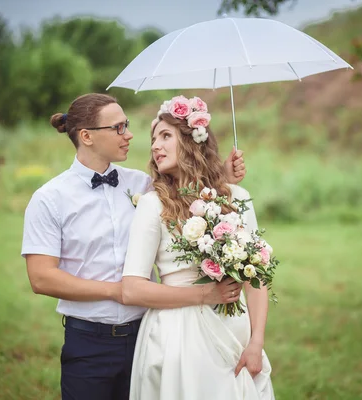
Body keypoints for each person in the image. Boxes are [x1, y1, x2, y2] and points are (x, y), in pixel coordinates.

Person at [20, 93, 247, 400]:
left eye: (126, 124)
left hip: (147, 335)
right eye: (118, 128)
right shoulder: (50, 199)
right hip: (88, 342)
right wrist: (115, 290)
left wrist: (223, 177)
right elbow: (41, 278)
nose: (128, 134)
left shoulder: (142, 185)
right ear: (86, 136)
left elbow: (189, 192)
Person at [121, 95, 275, 400]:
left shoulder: (237, 197)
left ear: (193, 141)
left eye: (166, 136)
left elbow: (256, 277)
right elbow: (132, 289)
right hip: (178, 336)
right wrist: (205, 294)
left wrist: (256, 343)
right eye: (154, 138)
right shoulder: (153, 205)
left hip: (233, 329)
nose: (155, 146)